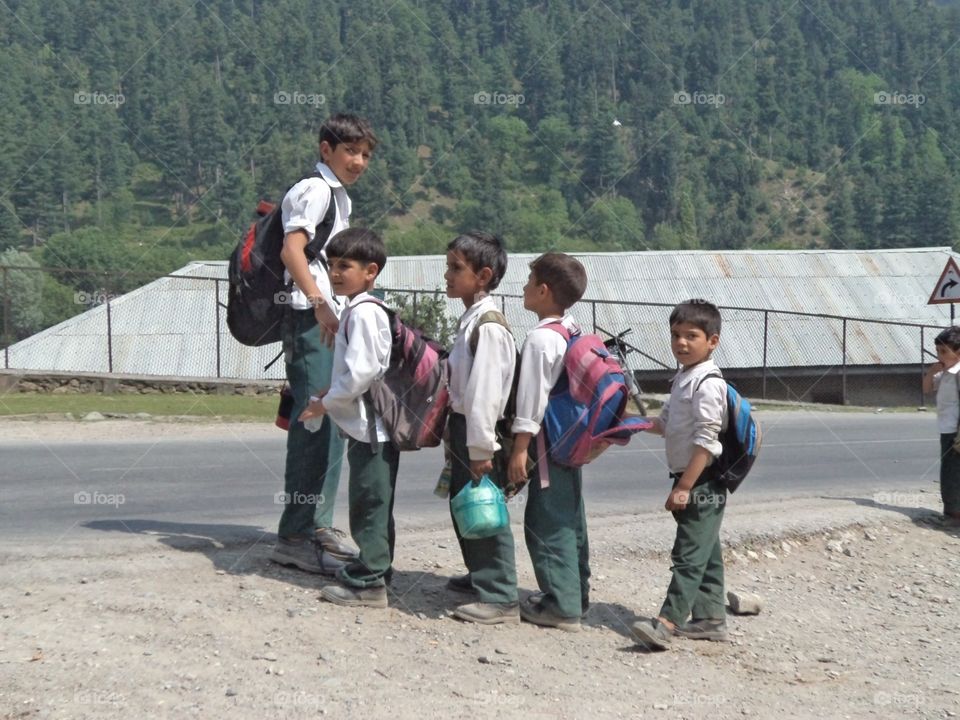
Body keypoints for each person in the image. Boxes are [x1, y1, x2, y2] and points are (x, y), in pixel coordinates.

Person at [269, 114, 377, 575]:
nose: (358, 161)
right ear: (326, 148)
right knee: (314, 421)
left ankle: (316, 524)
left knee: (326, 416)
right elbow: (292, 250)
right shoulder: (314, 190)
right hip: (310, 318)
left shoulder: (337, 195)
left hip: (322, 318)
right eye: (350, 151)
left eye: (366, 155)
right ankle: (296, 533)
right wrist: (318, 303)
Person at [298, 228, 396, 608]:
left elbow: (362, 373)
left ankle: (369, 584)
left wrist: (326, 403)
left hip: (372, 429)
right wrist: (330, 393)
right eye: (332, 266)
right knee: (374, 502)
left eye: (346, 266)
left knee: (369, 504)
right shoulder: (355, 309)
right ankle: (376, 568)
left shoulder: (365, 313)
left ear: (370, 271)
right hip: (368, 426)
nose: (336, 274)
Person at [631, 299, 730, 650]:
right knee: (705, 551)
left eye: (692, 336)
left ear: (712, 341)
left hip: (702, 483)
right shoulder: (684, 379)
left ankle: (667, 622)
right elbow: (667, 424)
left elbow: (706, 440)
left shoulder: (707, 384)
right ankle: (711, 619)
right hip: (690, 480)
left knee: (688, 554)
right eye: (675, 335)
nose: (681, 343)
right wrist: (636, 423)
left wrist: (685, 486)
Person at [507, 252, 591, 633]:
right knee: (570, 516)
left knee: (546, 521)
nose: (523, 289)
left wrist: (520, 449)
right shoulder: (572, 328)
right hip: (572, 439)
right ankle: (576, 594)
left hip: (546, 445)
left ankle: (560, 606)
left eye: (528, 283)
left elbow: (531, 401)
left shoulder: (541, 338)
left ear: (543, 291)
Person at [443, 232, 520, 625]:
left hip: (477, 431)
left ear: (484, 275)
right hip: (462, 427)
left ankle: (501, 595)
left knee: (485, 506)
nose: (447, 275)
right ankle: (479, 574)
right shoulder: (471, 319)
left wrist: (481, 451)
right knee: (464, 503)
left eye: (457, 268)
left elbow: (486, 396)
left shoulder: (488, 326)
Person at [921, 326, 960, 525]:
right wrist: (931, 372)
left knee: (952, 473)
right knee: (949, 470)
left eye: (944, 351)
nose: (940, 355)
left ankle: (954, 515)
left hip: (956, 431)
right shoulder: (946, 373)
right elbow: (926, 389)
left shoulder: (958, 372)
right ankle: (951, 512)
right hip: (946, 428)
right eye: (938, 351)